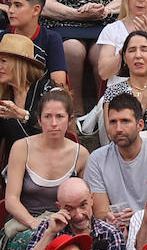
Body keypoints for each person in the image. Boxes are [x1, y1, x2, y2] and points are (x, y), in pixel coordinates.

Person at [4, 89, 86, 232]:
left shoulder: (81, 154)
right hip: (26, 223)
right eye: (47, 116)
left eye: (60, 116)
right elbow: (11, 200)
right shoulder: (21, 148)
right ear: (39, 120)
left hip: (66, 223)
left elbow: (86, 200)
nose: (53, 123)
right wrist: (36, 224)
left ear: (70, 120)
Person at [86, 92, 147, 225]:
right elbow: (100, 213)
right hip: (116, 229)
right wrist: (111, 218)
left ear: (140, 125)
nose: (118, 129)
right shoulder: (97, 160)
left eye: (125, 121)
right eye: (113, 122)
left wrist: (138, 218)